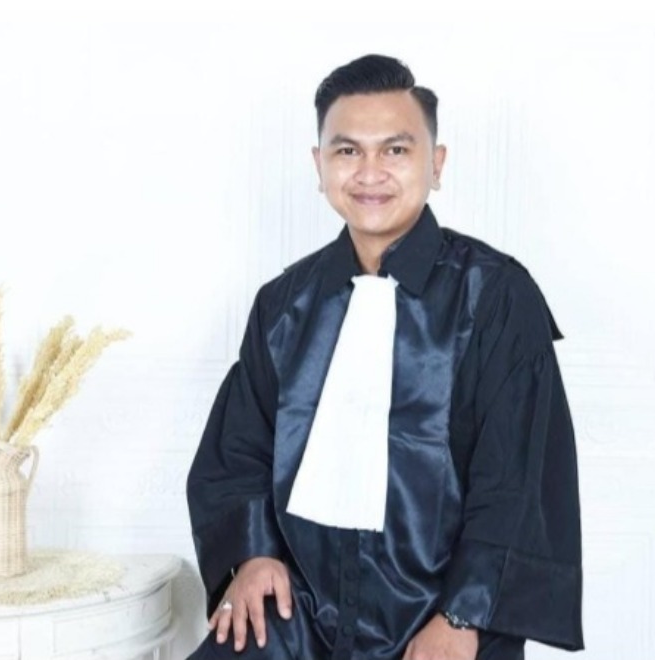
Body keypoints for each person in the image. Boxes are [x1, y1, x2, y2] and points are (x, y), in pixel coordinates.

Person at [186, 54, 583, 660]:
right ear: (319, 166)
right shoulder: (283, 305)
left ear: (435, 164)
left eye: (395, 150)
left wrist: (462, 614)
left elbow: (516, 482)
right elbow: (238, 448)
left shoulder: (497, 296)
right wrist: (253, 553)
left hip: (439, 617)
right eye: (348, 151)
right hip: (301, 614)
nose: (370, 172)